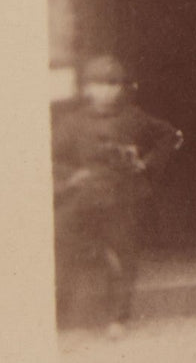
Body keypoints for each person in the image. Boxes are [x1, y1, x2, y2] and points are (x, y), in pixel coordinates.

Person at [53, 54, 183, 338]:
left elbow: (169, 136)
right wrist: (70, 177)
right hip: (84, 198)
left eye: (113, 85)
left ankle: (118, 317)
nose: (107, 92)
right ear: (86, 88)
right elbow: (49, 156)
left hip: (122, 197)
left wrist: (145, 164)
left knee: (125, 254)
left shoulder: (133, 117)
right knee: (60, 236)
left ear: (122, 89)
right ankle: (67, 314)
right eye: (99, 84)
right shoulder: (73, 122)